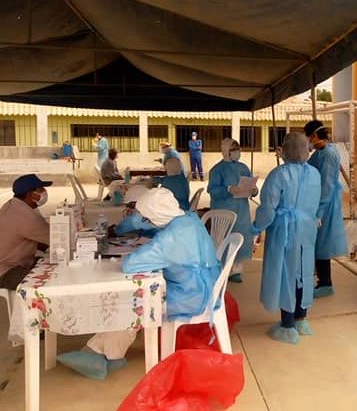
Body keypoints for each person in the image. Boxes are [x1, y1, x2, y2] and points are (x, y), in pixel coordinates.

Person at [58, 188, 220, 379]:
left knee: (134, 301)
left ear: (155, 216)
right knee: (135, 297)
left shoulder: (170, 240)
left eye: (146, 218)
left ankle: (99, 353)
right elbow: (159, 230)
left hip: (191, 295)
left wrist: (144, 237)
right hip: (202, 284)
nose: (145, 221)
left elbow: (130, 264)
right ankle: (107, 352)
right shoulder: (188, 220)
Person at [252, 132, 321, 344]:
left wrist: (257, 228)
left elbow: (268, 207)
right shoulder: (314, 174)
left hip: (285, 229)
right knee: (304, 271)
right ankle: (301, 319)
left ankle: (288, 325)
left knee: (286, 273)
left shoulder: (279, 174)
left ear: (285, 150)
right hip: (307, 228)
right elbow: (317, 202)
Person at [304, 120, 348, 298]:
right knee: (318, 242)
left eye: (309, 138)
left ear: (315, 136)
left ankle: (325, 283)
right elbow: (307, 169)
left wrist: (319, 211)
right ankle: (321, 279)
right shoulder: (320, 152)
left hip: (326, 204)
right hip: (318, 201)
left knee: (322, 243)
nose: (309, 141)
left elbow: (327, 185)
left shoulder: (328, 154)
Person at [208, 138, 258, 283]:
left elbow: (251, 184)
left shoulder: (243, 167)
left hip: (241, 210)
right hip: (224, 209)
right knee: (224, 238)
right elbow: (213, 191)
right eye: (234, 149)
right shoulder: (217, 170)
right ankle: (222, 269)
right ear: (226, 151)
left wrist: (254, 190)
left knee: (241, 237)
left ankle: (236, 269)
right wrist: (228, 189)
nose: (237, 152)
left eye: (238, 149)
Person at [0, 174, 51, 290]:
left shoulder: (11, 205)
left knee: (45, 262)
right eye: (40, 190)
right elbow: (54, 239)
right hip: (6, 272)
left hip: (10, 263)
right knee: (45, 286)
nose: (44, 192)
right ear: (29, 194)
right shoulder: (27, 217)